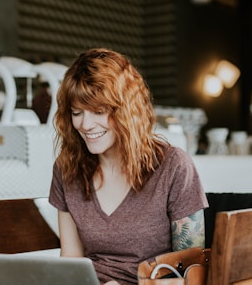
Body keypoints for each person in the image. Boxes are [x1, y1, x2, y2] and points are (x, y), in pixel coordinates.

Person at [49, 48, 208, 285]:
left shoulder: (174, 166)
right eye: (77, 112)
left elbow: (194, 275)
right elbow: (71, 263)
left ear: (126, 111)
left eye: (99, 111)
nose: (85, 124)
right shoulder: (67, 169)